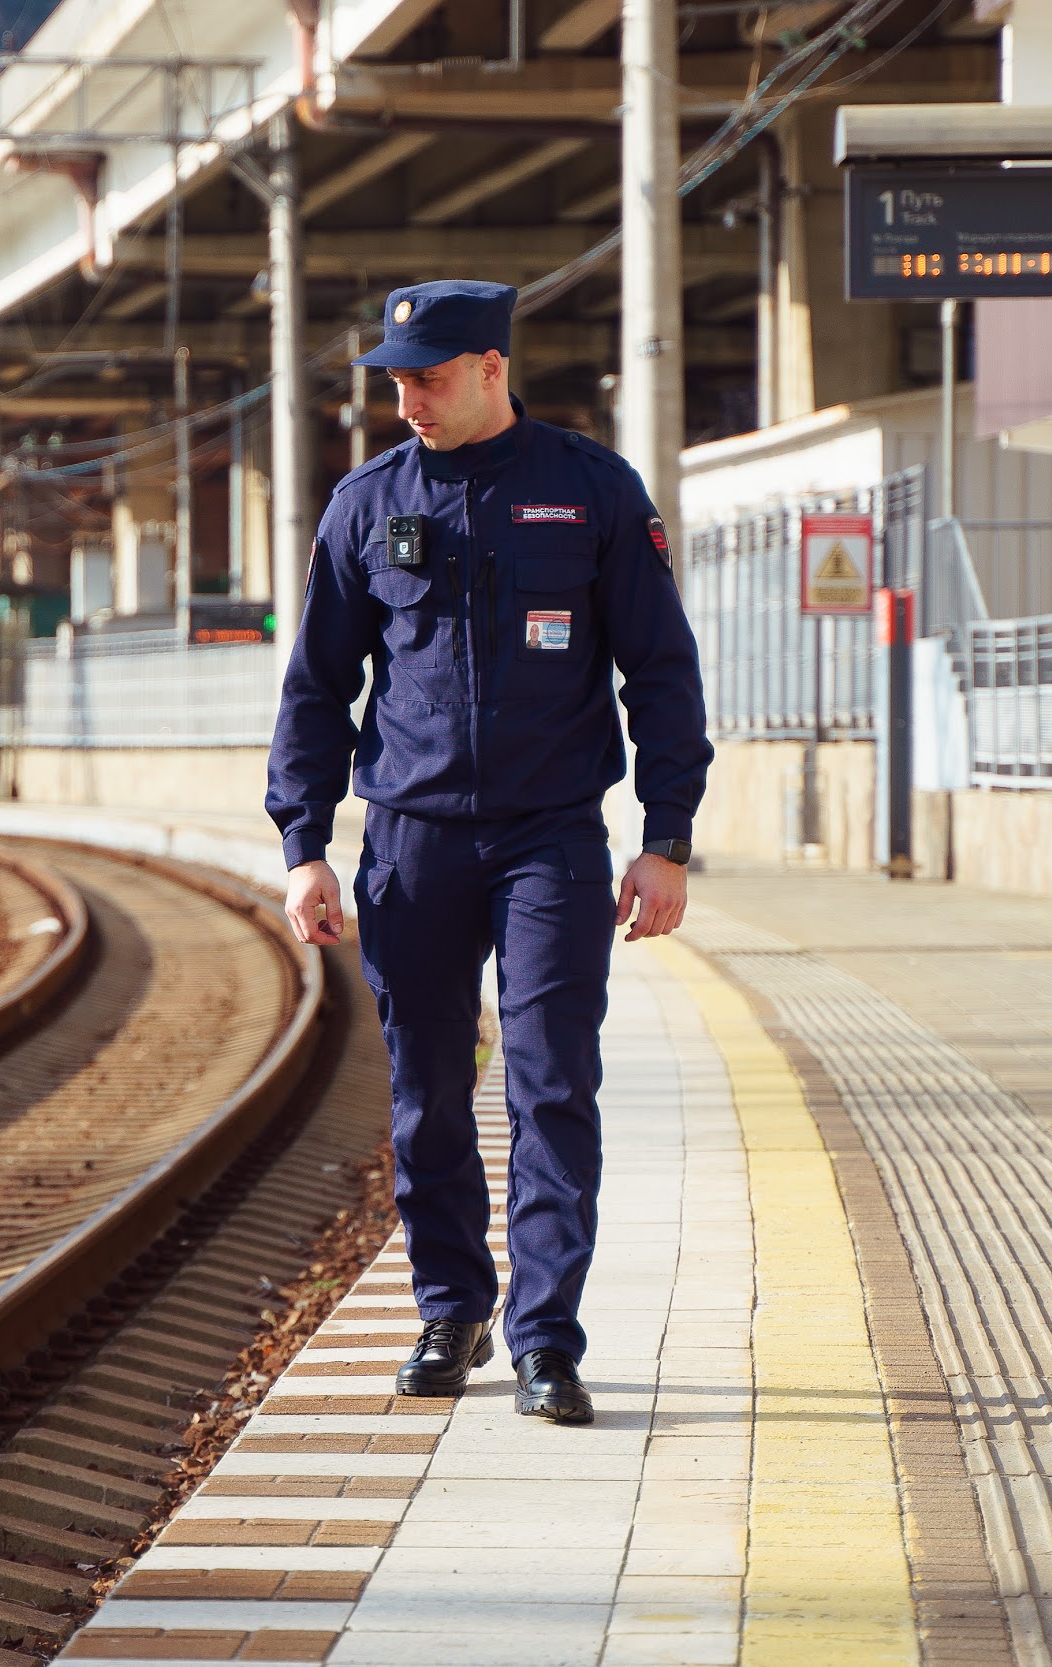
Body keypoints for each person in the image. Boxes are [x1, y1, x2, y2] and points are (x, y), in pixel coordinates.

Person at [266, 279, 711, 1424]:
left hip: (550, 837)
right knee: (425, 1091)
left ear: (491, 368)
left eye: (428, 374)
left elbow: (660, 672)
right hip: (410, 840)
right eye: (396, 378)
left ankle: (544, 1340)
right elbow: (316, 687)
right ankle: (450, 1309)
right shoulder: (366, 505)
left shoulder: (591, 491)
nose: (406, 396)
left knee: (553, 1081)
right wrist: (303, 843)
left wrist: (665, 839)